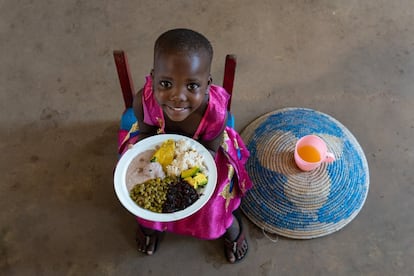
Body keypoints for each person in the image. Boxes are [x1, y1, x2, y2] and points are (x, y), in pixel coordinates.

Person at [118, 28, 253, 263]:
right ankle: (151, 224)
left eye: (192, 86)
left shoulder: (215, 113)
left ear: (208, 84)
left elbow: (211, 150)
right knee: (140, 191)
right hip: (157, 144)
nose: (178, 96)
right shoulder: (145, 100)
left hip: (205, 155)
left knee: (211, 205)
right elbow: (147, 133)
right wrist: (154, 164)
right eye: (166, 83)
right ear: (153, 77)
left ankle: (228, 225)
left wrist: (185, 173)